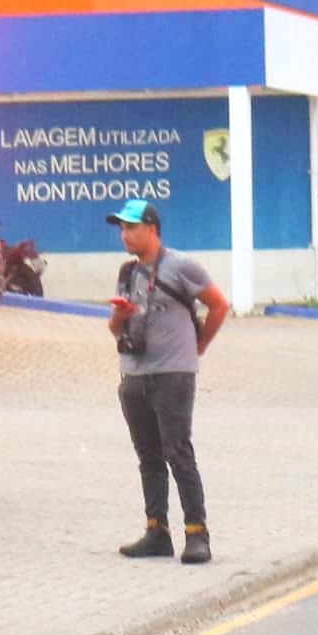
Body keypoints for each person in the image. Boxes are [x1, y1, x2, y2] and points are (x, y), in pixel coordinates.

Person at [106, 198, 227, 565]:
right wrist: (119, 316)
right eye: (122, 229)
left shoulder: (181, 266)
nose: (125, 235)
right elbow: (114, 329)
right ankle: (157, 531)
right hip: (135, 375)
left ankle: (197, 533)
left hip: (173, 374)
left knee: (178, 451)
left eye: (132, 227)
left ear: (152, 229)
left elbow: (219, 304)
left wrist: (200, 344)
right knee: (149, 457)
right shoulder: (127, 273)